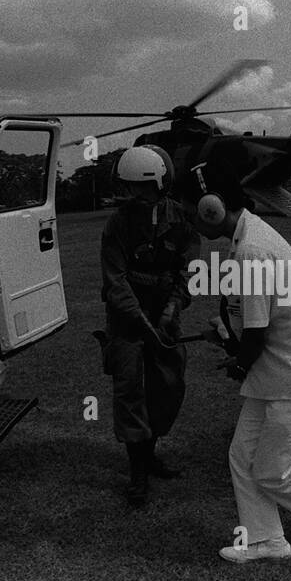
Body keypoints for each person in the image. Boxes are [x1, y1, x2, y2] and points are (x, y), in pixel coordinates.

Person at [182, 141, 291, 562]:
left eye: (190, 209)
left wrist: (238, 360)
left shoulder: (253, 251)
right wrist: (230, 339)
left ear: (211, 208)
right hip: (278, 371)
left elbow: (255, 336)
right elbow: (253, 322)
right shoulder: (246, 239)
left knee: (270, 469)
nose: (189, 219)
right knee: (242, 456)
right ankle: (266, 540)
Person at [99, 145, 200, 506]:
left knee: (168, 386)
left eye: (140, 188)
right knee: (129, 391)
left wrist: (171, 311)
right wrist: (144, 326)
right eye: (128, 188)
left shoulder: (184, 220)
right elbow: (116, 282)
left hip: (165, 315)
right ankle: (137, 472)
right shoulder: (118, 223)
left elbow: (190, 271)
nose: (133, 196)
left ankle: (151, 452)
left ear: (160, 183)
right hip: (128, 320)